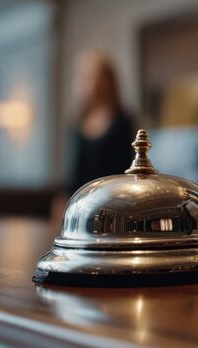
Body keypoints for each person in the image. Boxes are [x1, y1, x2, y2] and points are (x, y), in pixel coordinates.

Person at [52, 52, 135, 224]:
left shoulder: (122, 121)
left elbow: (126, 169)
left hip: (113, 205)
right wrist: (64, 200)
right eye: (88, 77)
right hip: (81, 204)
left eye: (98, 77)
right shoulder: (77, 121)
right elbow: (75, 170)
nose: (94, 83)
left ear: (109, 81)